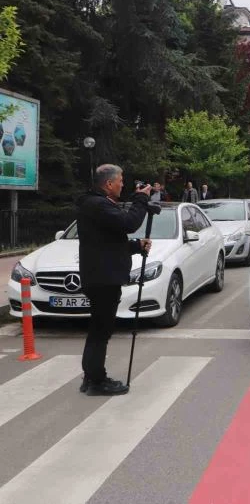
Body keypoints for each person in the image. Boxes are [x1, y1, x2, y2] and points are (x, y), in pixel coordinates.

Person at [76, 164, 152, 396]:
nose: (122, 184)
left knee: (97, 330)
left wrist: (135, 246)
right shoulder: (98, 205)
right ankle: (97, 381)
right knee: (101, 331)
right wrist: (141, 199)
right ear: (108, 183)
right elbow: (129, 223)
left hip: (100, 275)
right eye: (120, 181)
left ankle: (90, 377)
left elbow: (108, 242)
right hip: (103, 278)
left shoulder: (95, 204)